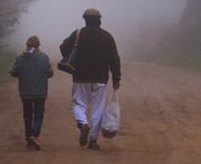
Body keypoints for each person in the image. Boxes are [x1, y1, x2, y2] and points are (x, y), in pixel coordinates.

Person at [59, 8, 121, 150]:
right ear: (99, 19)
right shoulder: (107, 37)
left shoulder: (78, 34)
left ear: (85, 19)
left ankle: (82, 124)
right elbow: (114, 59)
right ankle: (93, 140)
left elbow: (63, 48)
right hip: (100, 78)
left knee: (78, 104)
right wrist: (116, 78)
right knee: (97, 108)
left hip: (80, 77)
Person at [10, 35, 53, 150]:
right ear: (38, 46)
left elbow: (13, 72)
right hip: (41, 92)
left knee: (27, 115)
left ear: (27, 45)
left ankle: (28, 138)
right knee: (38, 115)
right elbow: (50, 73)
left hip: (25, 92)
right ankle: (34, 135)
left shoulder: (19, 59)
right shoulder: (44, 58)